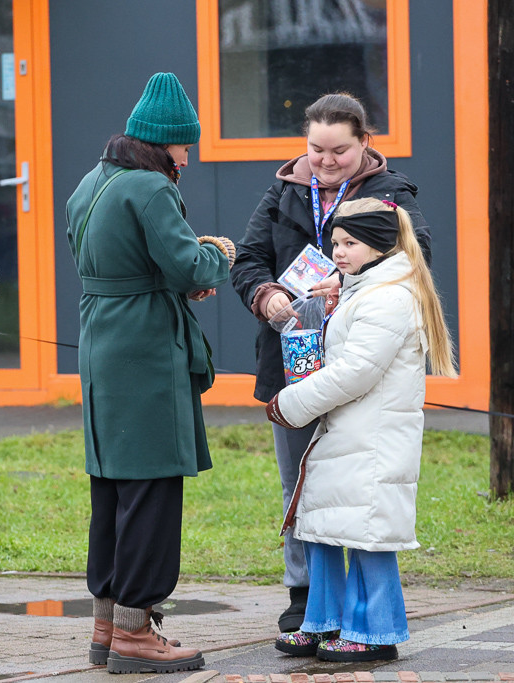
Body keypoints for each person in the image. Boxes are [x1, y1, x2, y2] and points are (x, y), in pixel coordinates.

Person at [230, 92, 431, 633]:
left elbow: (418, 257)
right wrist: (267, 295)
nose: (324, 161)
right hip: (290, 357)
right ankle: (307, 596)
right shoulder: (285, 188)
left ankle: (361, 611)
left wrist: (347, 281)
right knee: (299, 481)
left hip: (359, 361)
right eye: (315, 149)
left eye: (338, 150)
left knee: (354, 481)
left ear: (364, 142)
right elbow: (247, 259)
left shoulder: (391, 191)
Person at [65, 72, 234, 675]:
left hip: (101, 342)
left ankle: (108, 626)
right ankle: (137, 636)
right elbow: (191, 267)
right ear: (165, 144)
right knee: (153, 489)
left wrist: (167, 276)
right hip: (145, 351)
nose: (188, 156)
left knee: (112, 488)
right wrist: (219, 254)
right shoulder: (151, 188)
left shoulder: (90, 182)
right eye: (185, 146)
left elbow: (119, 261)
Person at [265, 197, 456, 661]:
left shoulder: (389, 295)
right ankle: (325, 622)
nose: (339, 252)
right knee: (325, 528)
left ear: (379, 243)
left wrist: (290, 403)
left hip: (372, 439)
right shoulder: (360, 287)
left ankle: (376, 631)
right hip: (345, 432)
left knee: (368, 536)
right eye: (335, 242)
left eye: (350, 242)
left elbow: (356, 371)